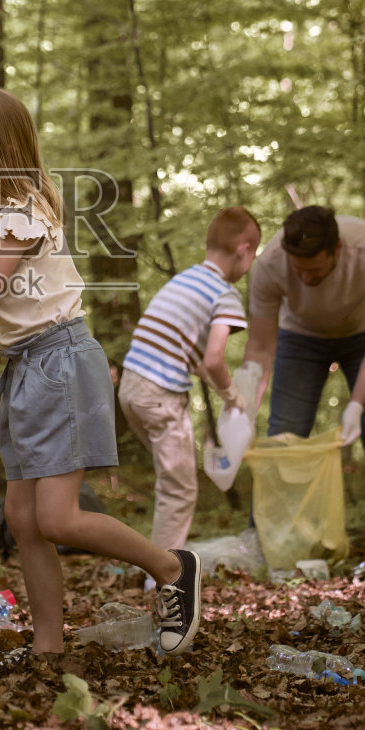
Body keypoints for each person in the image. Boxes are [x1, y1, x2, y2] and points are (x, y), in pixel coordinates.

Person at [0, 87, 203, 657]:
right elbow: (3, 291)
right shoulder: (12, 214)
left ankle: (172, 567)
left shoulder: (18, 215)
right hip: (28, 366)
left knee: (58, 518)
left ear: (1, 157)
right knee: (23, 520)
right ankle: (48, 645)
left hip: (59, 364)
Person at [239, 205, 365, 559]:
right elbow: (259, 347)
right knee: (283, 436)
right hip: (299, 338)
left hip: (364, 338)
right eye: (298, 270)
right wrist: (243, 411)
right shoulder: (270, 265)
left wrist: (356, 405)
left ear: (337, 250)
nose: (306, 279)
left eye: (315, 270)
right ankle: (263, 544)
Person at [118, 208, 262, 566]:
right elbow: (213, 360)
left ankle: (153, 565)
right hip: (161, 395)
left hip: (131, 388)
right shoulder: (224, 294)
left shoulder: (184, 281)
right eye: (254, 254)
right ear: (244, 250)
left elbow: (184, 351)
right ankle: (162, 579)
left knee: (170, 484)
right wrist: (231, 395)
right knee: (180, 491)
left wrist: (216, 384)